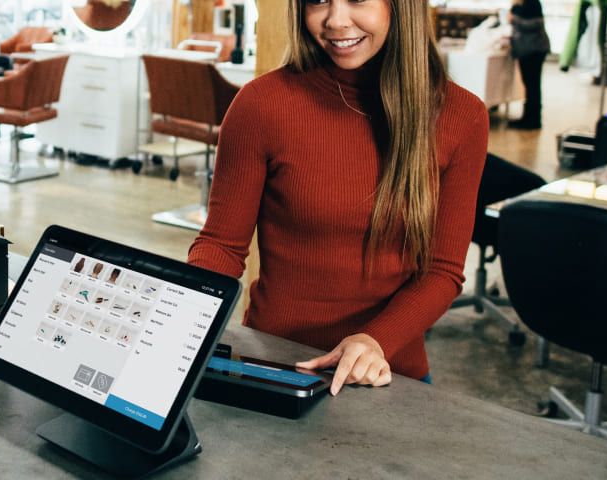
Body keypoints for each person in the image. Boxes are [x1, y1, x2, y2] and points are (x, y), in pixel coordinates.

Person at [189, 0, 488, 394]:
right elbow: (221, 247)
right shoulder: (261, 104)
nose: (335, 20)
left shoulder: (461, 116)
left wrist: (374, 339)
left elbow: (442, 271)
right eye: (318, 0)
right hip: (275, 367)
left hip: (388, 375)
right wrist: (182, 319)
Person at [509, 0, 551, 129]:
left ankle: (533, 120)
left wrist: (515, 19)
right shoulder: (517, 6)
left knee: (532, 85)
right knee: (529, 85)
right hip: (525, 50)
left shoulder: (532, 3)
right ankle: (528, 117)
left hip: (534, 50)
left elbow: (536, 24)